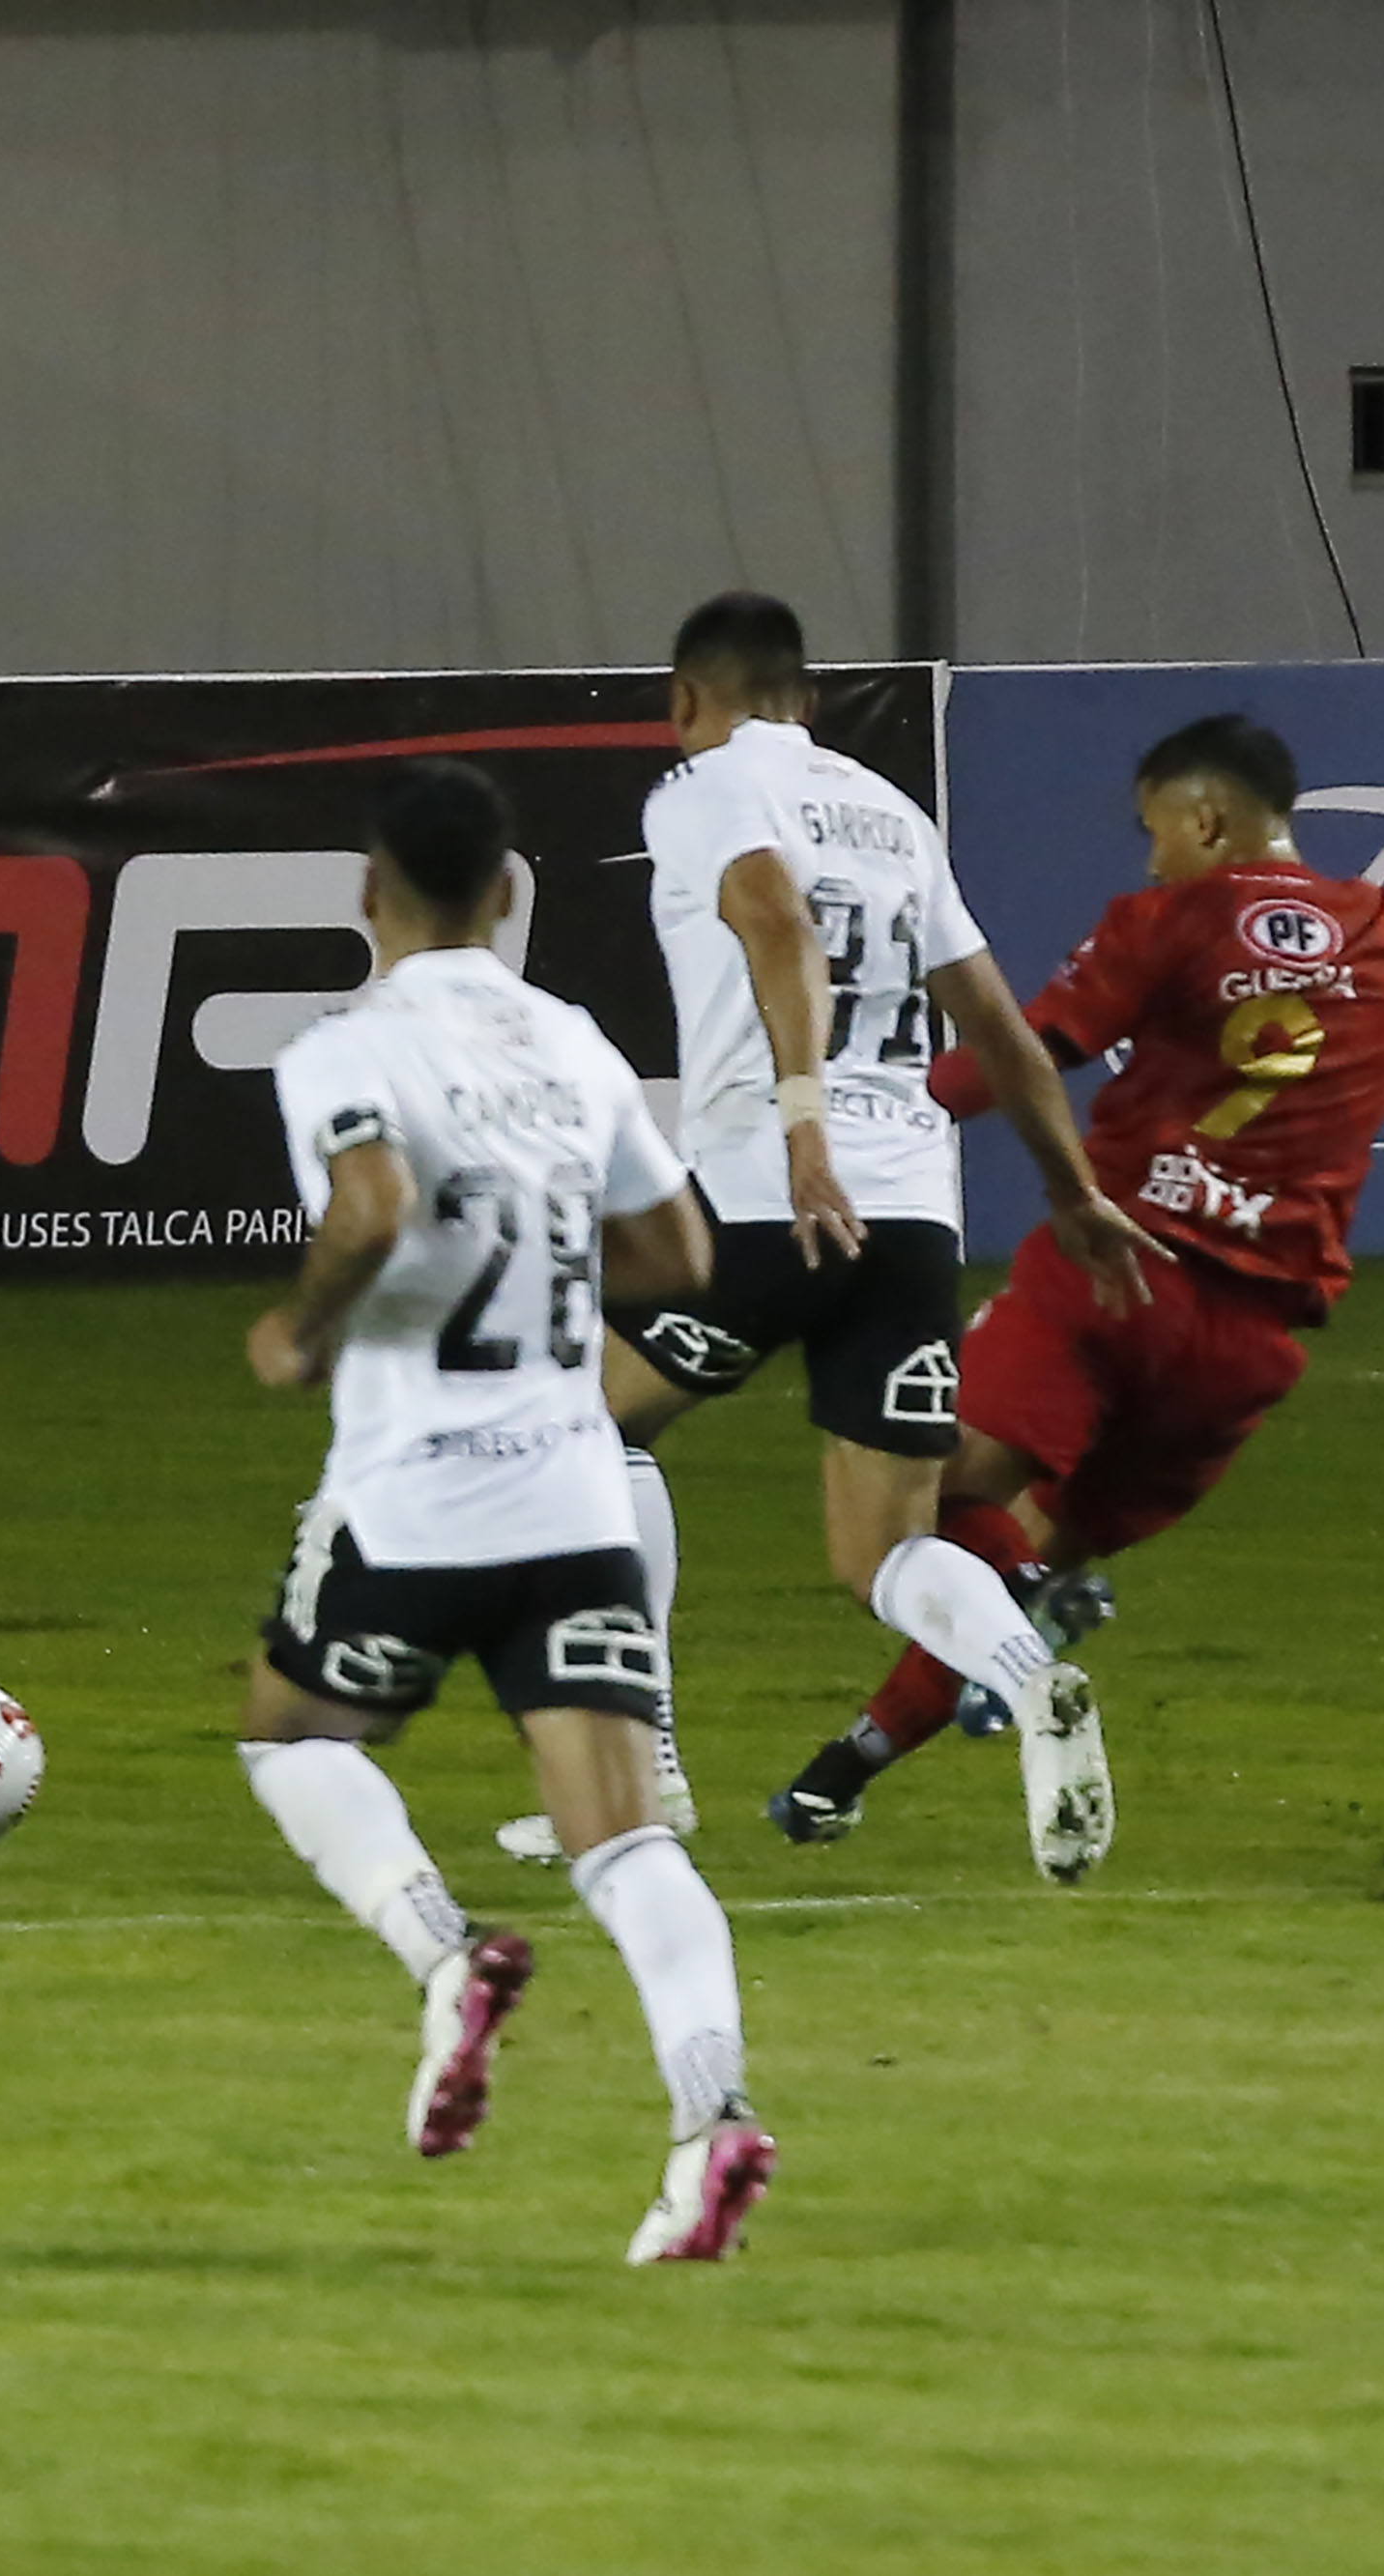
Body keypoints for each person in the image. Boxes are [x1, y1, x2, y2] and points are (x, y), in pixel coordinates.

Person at [767, 713, 1384, 1864]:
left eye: (1156, 832)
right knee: (1021, 1556)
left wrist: (862, 1113)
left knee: (909, 1517)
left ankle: (1027, 1602)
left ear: (1204, 818)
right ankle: (841, 1772)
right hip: (1245, 1350)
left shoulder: (1170, 920)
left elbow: (1030, 1043)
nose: (1150, 859)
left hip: (1114, 1277)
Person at [496, 591, 1161, 1877]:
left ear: (687, 703)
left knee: (588, 1431)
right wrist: (1070, 1192)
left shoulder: (698, 794)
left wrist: (804, 1126)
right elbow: (1001, 1028)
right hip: (912, 1208)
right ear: (808, 697)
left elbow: (778, 921)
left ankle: (645, 1779)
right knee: (882, 1550)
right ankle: (1029, 1680)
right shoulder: (893, 814)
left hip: (770, 1193)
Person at [239, 758, 772, 2265]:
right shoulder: (576, 1045)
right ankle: (713, 2116)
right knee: (625, 1844)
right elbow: (679, 1253)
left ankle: (446, 1951)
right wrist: (545, 1257)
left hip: (413, 1502)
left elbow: (372, 1203)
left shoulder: (346, 1047)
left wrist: (311, 1326)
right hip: (573, 1492)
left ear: (367, 892)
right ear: (513, 889)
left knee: (288, 1734)